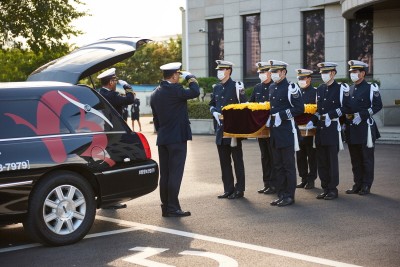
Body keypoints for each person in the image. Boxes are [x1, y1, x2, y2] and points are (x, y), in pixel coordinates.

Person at [150, 62, 200, 217]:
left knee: (165, 174)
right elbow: (195, 92)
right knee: (175, 174)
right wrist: (191, 78)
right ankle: (172, 207)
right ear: (173, 76)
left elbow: (156, 120)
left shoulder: (155, 93)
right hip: (177, 138)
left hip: (163, 138)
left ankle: (166, 207)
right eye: (178, 74)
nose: (179, 76)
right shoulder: (175, 90)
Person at [307, 62, 350, 200]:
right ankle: (325, 187)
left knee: (331, 160)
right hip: (320, 128)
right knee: (322, 160)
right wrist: (312, 120)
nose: (323, 75)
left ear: (333, 73)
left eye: (326, 73)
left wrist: (331, 115)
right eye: (322, 73)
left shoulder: (340, 88)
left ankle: (332, 189)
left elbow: (346, 108)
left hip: (332, 128)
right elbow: (319, 110)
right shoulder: (320, 89)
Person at [267, 60, 304, 207]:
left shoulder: (291, 87)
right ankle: (281, 194)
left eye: (276, 72)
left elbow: (299, 108)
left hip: (287, 131)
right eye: (272, 72)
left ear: (283, 72)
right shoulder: (271, 87)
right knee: (278, 165)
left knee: (288, 165)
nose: (273, 74)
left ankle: (289, 195)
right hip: (275, 132)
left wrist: (280, 116)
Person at [209, 60, 247, 199]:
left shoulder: (237, 86)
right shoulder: (217, 88)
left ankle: (239, 189)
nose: (219, 72)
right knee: (224, 162)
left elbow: (245, 106)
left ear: (229, 71)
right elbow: (212, 103)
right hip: (220, 130)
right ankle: (228, 189)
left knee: (237, 161)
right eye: (218, 69)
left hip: (233, 130)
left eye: (222, 69)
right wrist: (213, 111)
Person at [98, 68, 135, 209]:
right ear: (110, 82)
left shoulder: (100, 93)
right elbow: (130, 99)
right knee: (115, 167)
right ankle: (110, 201)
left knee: (109, 166)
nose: (115, 82)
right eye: (114, 80)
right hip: (114, 135)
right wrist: (127, 87)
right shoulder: (111, 95)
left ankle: (109, 200)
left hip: (106, 134)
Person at [344, 60, 382, 195]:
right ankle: (357, 183)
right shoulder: (349, 88)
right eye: (351, 72)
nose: (353, 74)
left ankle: (366, 185)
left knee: (366, 158)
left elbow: (378, 106)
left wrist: (362, 114)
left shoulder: (371, 88)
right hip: (352, 129)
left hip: (365, 128)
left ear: (363, 73)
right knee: (355, 159)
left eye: (355, 72)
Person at [249, 61, 276, 195]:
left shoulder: (274, 86)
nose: (261, 74)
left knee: (273, 156)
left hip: (273, 128)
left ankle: (275, 184)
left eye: (263, 72)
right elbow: (251, 105)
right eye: (259, 72)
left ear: (270, 73)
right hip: (261, 128)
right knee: (264, 156)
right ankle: (267, 183)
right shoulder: (257, 87)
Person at [295, 69, 317, 190]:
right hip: (298, 128)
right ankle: (303, 178)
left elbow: (318, 109)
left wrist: (313, 121)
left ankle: (311, 179)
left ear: (309, 79)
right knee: (300, 155)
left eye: (303, 78)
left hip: (310, 128)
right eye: (299, 79)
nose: (301, 81)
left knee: (311, 155)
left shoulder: (315, 92)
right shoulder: (296, 92)